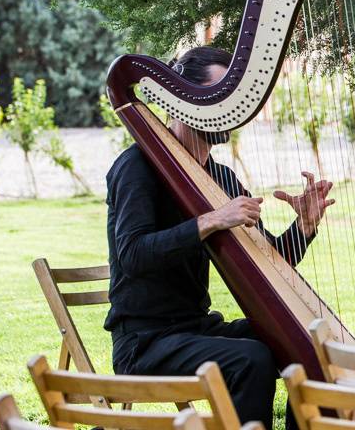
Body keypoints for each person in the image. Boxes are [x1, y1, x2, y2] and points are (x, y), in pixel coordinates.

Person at [104, 46, 334, 428]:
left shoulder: (220, 177)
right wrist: (209, 222)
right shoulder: (136, 167)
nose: (227, 106)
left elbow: (271, 259)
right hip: (145, 341)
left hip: (197, 328)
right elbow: (133, 254)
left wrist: (304, 226)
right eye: (217, 96)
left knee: (310, 343)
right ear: (183, 100)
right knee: (252, 359)